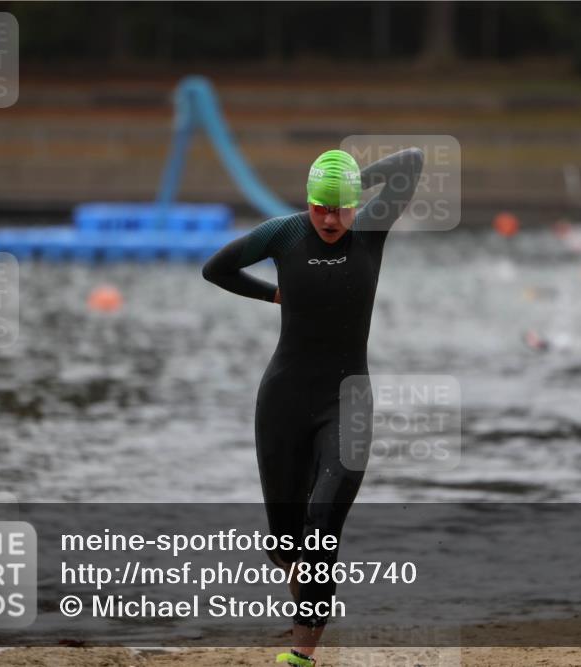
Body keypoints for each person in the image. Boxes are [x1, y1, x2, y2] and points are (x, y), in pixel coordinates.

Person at [202, 147, 424, 666]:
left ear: (355, 203)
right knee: (287, 546)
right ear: (308, 202)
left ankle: (301, 654)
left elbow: (411, 162)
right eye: (320, 206)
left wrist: (351, 179)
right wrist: (272, 295)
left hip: (347, 402)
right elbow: (216, 269)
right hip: (282, 400)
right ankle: (308, 604)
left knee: (322, 521)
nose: (329, 219)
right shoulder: (283, 234)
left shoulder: (369, 230)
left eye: (340, 206)